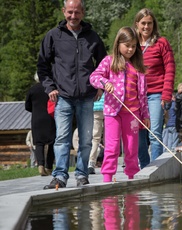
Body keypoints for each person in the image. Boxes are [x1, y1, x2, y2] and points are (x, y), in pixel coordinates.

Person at [37, 0, 107, 189]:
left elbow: (104, 64)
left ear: (83, 13)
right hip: (63, 97)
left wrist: (100, 85)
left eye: (77, 12)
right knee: (62, 138)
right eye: (69, 12)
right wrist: (50, 87)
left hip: (87, 96)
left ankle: (82, 175)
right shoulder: (53, 36)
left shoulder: (92, 37)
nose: (73, 16)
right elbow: (42, 66)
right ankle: (60, 176)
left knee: (85, 139)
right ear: (63, 12)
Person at [90, 26, 150, 182]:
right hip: (112, 112)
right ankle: (107, 178)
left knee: (131, 148)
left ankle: (132, 177)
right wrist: (104, 82)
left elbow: (142, 95)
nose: (130, 49)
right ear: (118, 44)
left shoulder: (138, 67)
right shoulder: (109, 61)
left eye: (133, 46)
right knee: (112, 147)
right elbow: (94, 77)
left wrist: (145, 116)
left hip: (133, 114)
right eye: (127, 45)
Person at [134, 8, 176, 168]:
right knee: (139, 133)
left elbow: (170, 68)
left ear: (154, 24)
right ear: (137, 24)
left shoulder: (161, 42)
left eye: (149, 23)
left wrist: (166, 94)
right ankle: (145, 167)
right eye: (143, 23)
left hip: (156, 94)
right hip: (136, 96)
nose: (146, 26)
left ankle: (156, 168)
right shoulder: (132, 44)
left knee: (155, 133)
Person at [25, 73, 56, 176]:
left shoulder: (32, 89)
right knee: (52, 143)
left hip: (37, 119)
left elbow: (27, 106)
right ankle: (49, 167)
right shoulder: (51, 88)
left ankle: (40, 166)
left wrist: (35, 110)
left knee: (39, 143)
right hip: (50, 117)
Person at [88, 91, 104, 174]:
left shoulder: (94, 78)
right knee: (110, 137)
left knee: (95, 138)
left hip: (96, 107)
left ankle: (91, 162)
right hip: (109, 107)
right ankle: (109, 163)